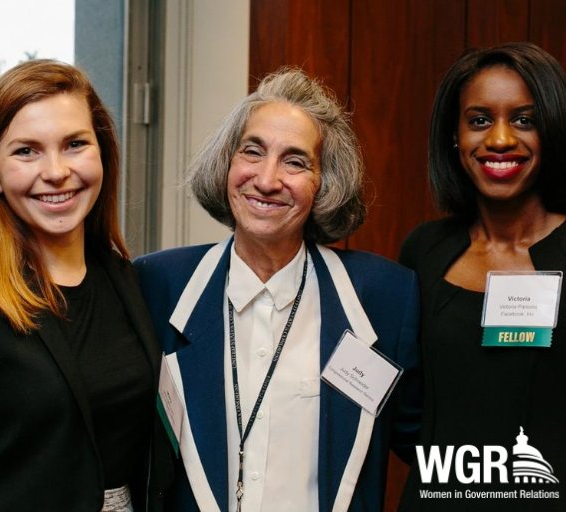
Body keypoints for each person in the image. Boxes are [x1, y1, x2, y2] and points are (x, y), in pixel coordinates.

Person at [135, 68, 421, 512]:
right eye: (252, 151)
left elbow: (431, 445)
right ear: (227, 163)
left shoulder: (383, 297)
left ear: (324, 183)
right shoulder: (158, 285)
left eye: (295, 162)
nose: (267, 180)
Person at [0, 60, 169, 512]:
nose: (56, 171)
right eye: (26, 151)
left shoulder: (122, 278)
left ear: (102, 154)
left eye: (75, 144)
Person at [399, 42, 566, 511]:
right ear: (455, 137)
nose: (499, 140)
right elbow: (405, 405)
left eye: (524, 120)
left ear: (553, 129)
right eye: (479, 120)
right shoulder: (423, 252)